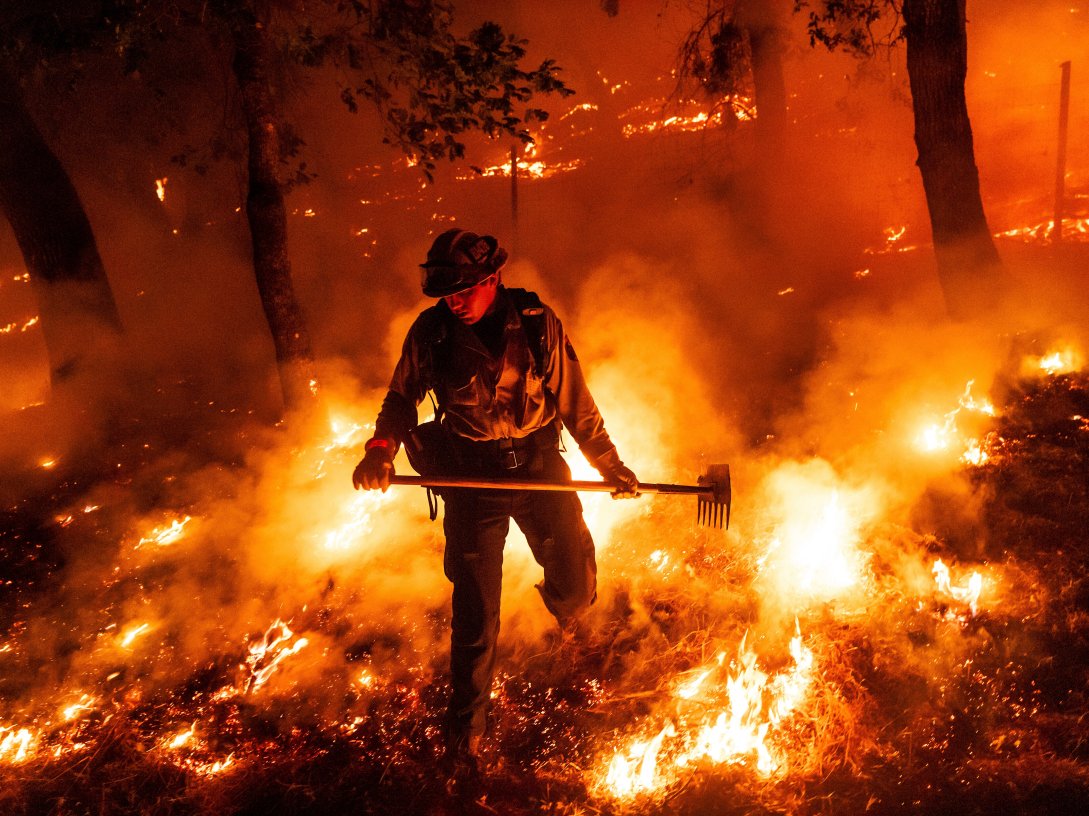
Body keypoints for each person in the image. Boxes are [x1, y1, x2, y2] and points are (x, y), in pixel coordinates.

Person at [352, 228, 638, 775]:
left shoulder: (535, 325)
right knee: (476, 618)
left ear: (493, 279)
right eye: (446, 292)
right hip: (470, 475)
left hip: (536, 465)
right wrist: (381, 450)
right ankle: (466, 742)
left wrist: (611, 466)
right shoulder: (432, 332)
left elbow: (577, 403)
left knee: (577, 586)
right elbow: (400, 398)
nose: (452, 301)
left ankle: (566, 614)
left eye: (462, 290)